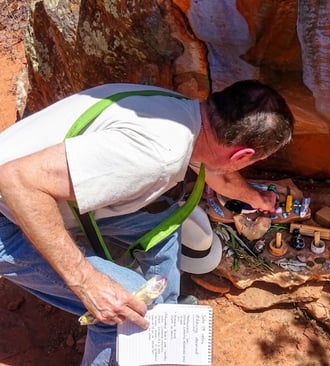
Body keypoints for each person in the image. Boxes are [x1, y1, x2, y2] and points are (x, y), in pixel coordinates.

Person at [0, 79, 294, 365]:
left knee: (164, 220)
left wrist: (254, 197)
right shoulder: (158, 155)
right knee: (127, 310)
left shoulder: (185, 116)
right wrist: (87, 281)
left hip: (38, 192)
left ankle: (162, 323)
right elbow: (16, 181)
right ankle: (142, 325)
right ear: (242, 156)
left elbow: (219, 169)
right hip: (12, 215)